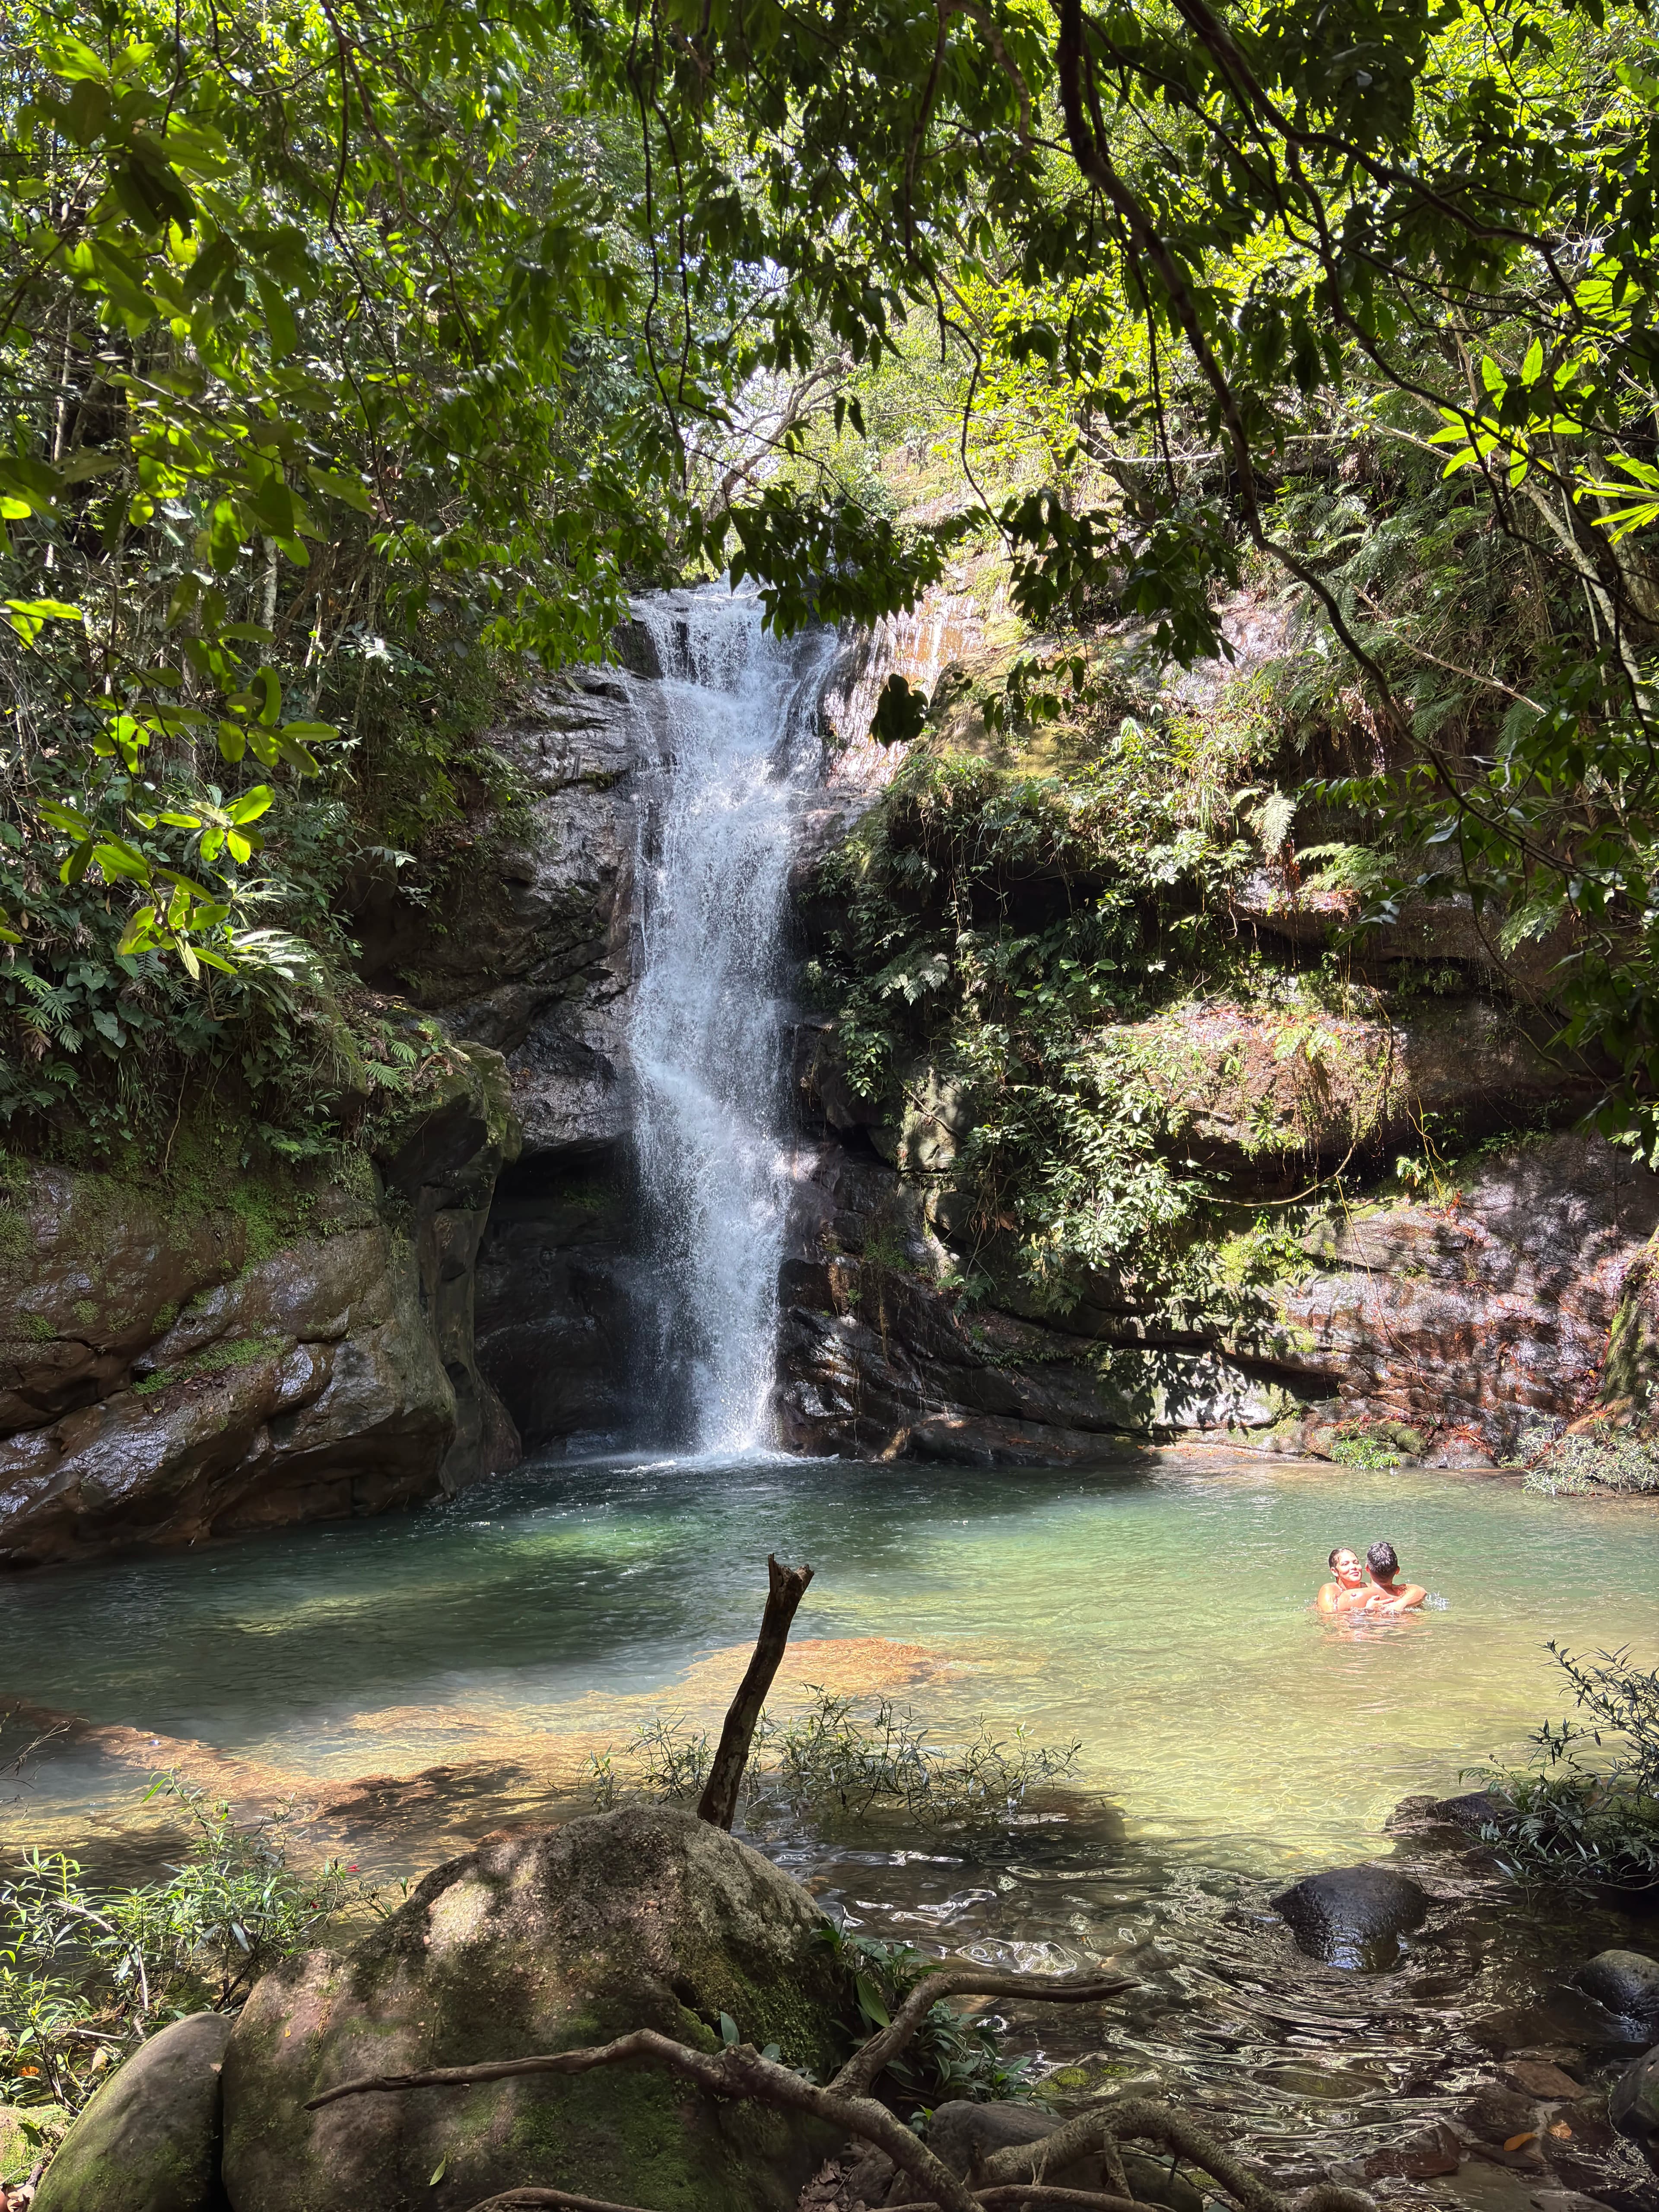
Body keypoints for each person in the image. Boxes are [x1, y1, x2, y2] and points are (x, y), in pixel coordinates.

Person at [1363, 1539, 1427, 1613]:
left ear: (1367, 1568)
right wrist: (1400, 1605)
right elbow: (1421, 1591)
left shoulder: (1356, 1596)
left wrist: (1367, 1610)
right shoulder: (1404, 1593)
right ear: (1397, 1571)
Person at [1317, 1546, 1373, 1612]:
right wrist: (1368, 1609)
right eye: (1345, 1564)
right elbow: (1329, 1618)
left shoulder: (1370, 1588)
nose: (1353, 1567)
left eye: (1356, 1563)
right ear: (1335, 1572)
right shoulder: (1330, 1590)